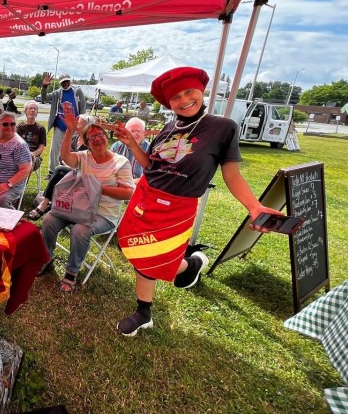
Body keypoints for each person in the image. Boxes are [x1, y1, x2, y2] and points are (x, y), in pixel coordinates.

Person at [112, 67, 281, 336]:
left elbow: (231, 173)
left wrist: (254, 206)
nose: (183, 100)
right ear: (169, 103)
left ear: (201, 91)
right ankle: (166, 289)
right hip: (145, 198)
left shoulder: (223, 128)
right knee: (136, 252)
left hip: (178, 207)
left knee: (154, 257)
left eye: (189, 92)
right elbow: (151, 166)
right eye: (175, 97)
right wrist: (133, 145)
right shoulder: (168, 128)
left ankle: (176, 279)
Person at [41, 103, 135, 292]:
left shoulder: (121, 162)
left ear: (106, 138)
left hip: (104, 214)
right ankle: (46, 258)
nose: (97, 139)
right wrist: (69, 129)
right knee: (50, 219)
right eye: (91, 137)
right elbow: (66, 157)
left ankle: (71, 273)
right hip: (77, 208)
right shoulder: (84, 157)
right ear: (86, 142)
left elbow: (128, 193)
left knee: (80, 231)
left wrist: (98, 189)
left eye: (100, 135)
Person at [26, 114, 94, 220]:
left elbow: (89, 163)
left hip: (83, 174)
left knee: (59, 170)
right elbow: (62, 157)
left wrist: (71, 165)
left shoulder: (92, 143)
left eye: (79, 123)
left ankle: (44, 204)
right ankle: (50, 203)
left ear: (88, 126)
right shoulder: (74, 138)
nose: (75, 125)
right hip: (68, 170)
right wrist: (67, 163)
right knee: (61, 170)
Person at [41, 72, 86, 179]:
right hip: (60, 124)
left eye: (67, 81)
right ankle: (52, 171)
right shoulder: (57, 93)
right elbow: (44, 98)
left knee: (74, 149)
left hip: (74, 125)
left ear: (70, 80)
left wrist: (82, 121)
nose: (65, 83)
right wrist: (44, 86)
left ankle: (73, 170)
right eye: (63, 82)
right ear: (60, 83)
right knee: (55, 149)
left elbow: (82, 106)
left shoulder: (77, 91)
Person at [16, 100, 46, 172]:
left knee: (30, 162)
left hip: (34, 156)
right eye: (30, 108)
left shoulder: (41, 129)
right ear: (25, 111)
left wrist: (33, 154)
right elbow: (15, 144)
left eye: (35, 109)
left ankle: (23, 183)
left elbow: (41, 147)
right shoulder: (19, 127)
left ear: (37, 112)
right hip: (21, 154)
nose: (33, 110)